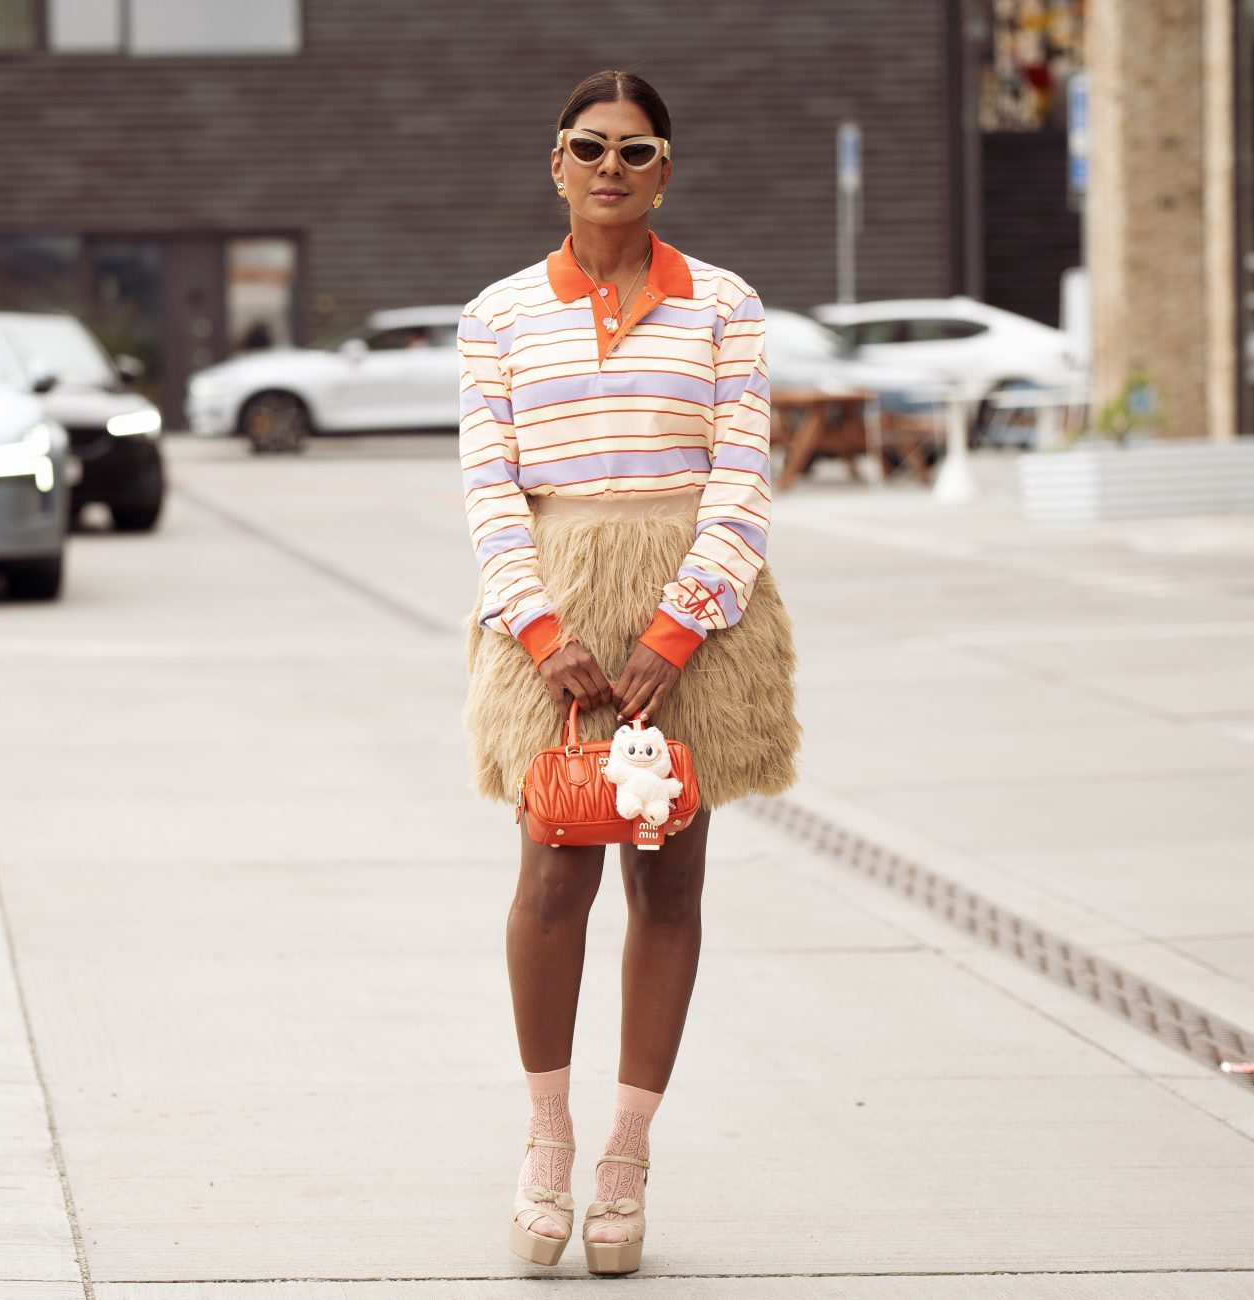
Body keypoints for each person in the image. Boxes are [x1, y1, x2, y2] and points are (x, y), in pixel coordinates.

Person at [457, 70, 801, 1275]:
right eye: (588, 146)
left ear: (665, 169)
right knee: (553, 875)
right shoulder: (496, 315)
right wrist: (543, 631)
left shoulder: (725, 306)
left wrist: (677, 629)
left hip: (690, 617)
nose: (611, 166)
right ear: (552, 161)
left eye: (637, 149)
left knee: (667, 881)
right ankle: (545, 1143)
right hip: (549, 609)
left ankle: (625, 1156)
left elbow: (742, 476)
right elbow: (490, 488)